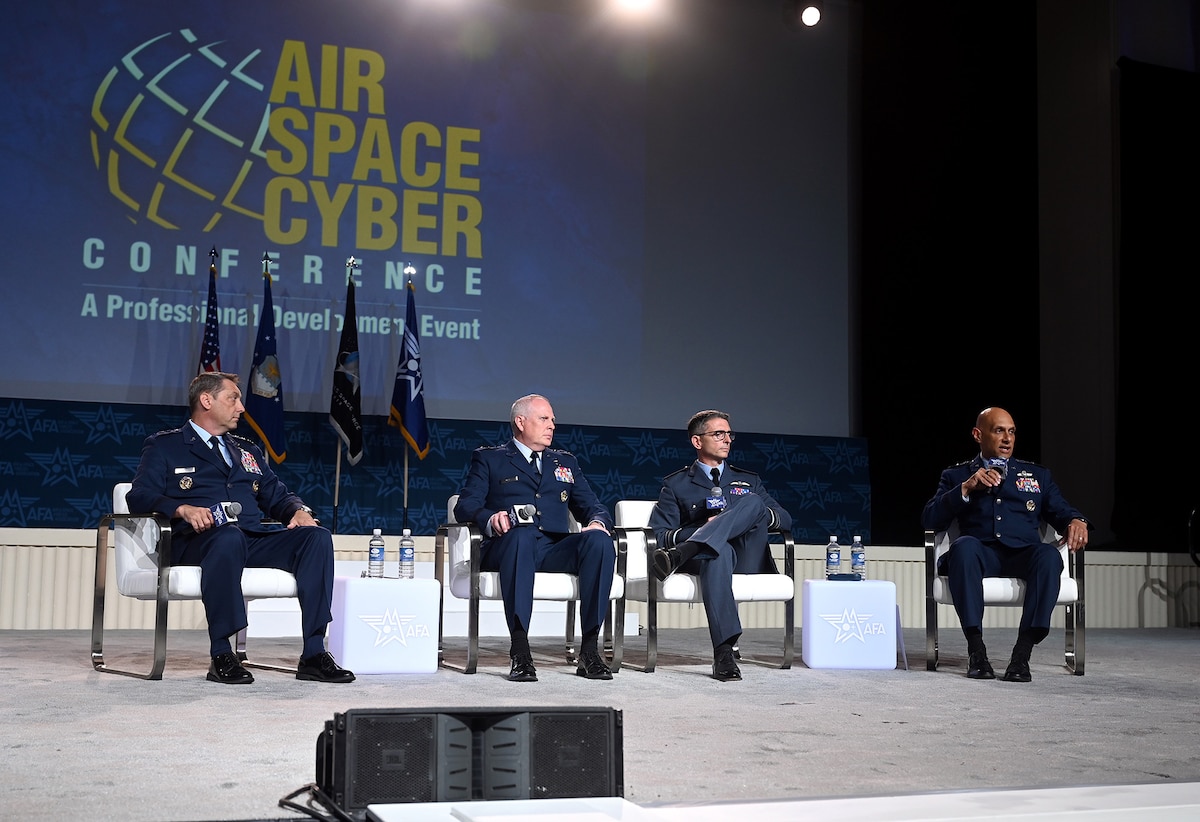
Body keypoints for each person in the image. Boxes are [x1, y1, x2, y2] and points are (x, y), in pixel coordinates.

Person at [127, 372, 354, 685]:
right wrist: (181, 508)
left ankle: (314, 653)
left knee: (316, 538)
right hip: (195, 542)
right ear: (206, 400)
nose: (242, 407)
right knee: (228, 537)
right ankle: (222, 653)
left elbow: (275, 493)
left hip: (249, 539)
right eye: (233, 398)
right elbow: (137, 496)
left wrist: (298, 511)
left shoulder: (247, 449)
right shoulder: (166, 446)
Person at [453, 394, 617, 682]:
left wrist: (596, 522)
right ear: (520, 421)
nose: (552, 425)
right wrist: (491, 518)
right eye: (544, 419)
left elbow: (593, 505)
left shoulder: (565, 462)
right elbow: (465, 505)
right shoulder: (490, 458)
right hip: (507, 546)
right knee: (522, 536)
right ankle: (520, 650)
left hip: (554, 548)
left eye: (552, 419)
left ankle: (590, 650)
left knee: (600, 541)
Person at [921, 406, 1089, 683]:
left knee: (1048, 556)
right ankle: (976, 651)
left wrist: (1077, 520)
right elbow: (929, 518)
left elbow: (1061, 510)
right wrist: (965, 488)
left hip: (1022, 553)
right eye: (999, 431)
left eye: (1011, 432)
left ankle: (1022, 655)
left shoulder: (1036, 476)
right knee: (963, 548)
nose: (1007, 439)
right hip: (980, 553)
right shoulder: (956, 475)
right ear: (978, 434)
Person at [648, 410, 793, 681]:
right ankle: (724, 652)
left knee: (752, 503)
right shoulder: (677, 484)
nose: (727, 439)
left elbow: (785, 519)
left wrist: (747, 517)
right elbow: (660, 533)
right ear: (697, 441)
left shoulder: (749, 481)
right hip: (713, 560)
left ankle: (687, 551)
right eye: (718, 434)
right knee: (717, 551)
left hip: (747, 556)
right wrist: (704, 530)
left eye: (729, 434)